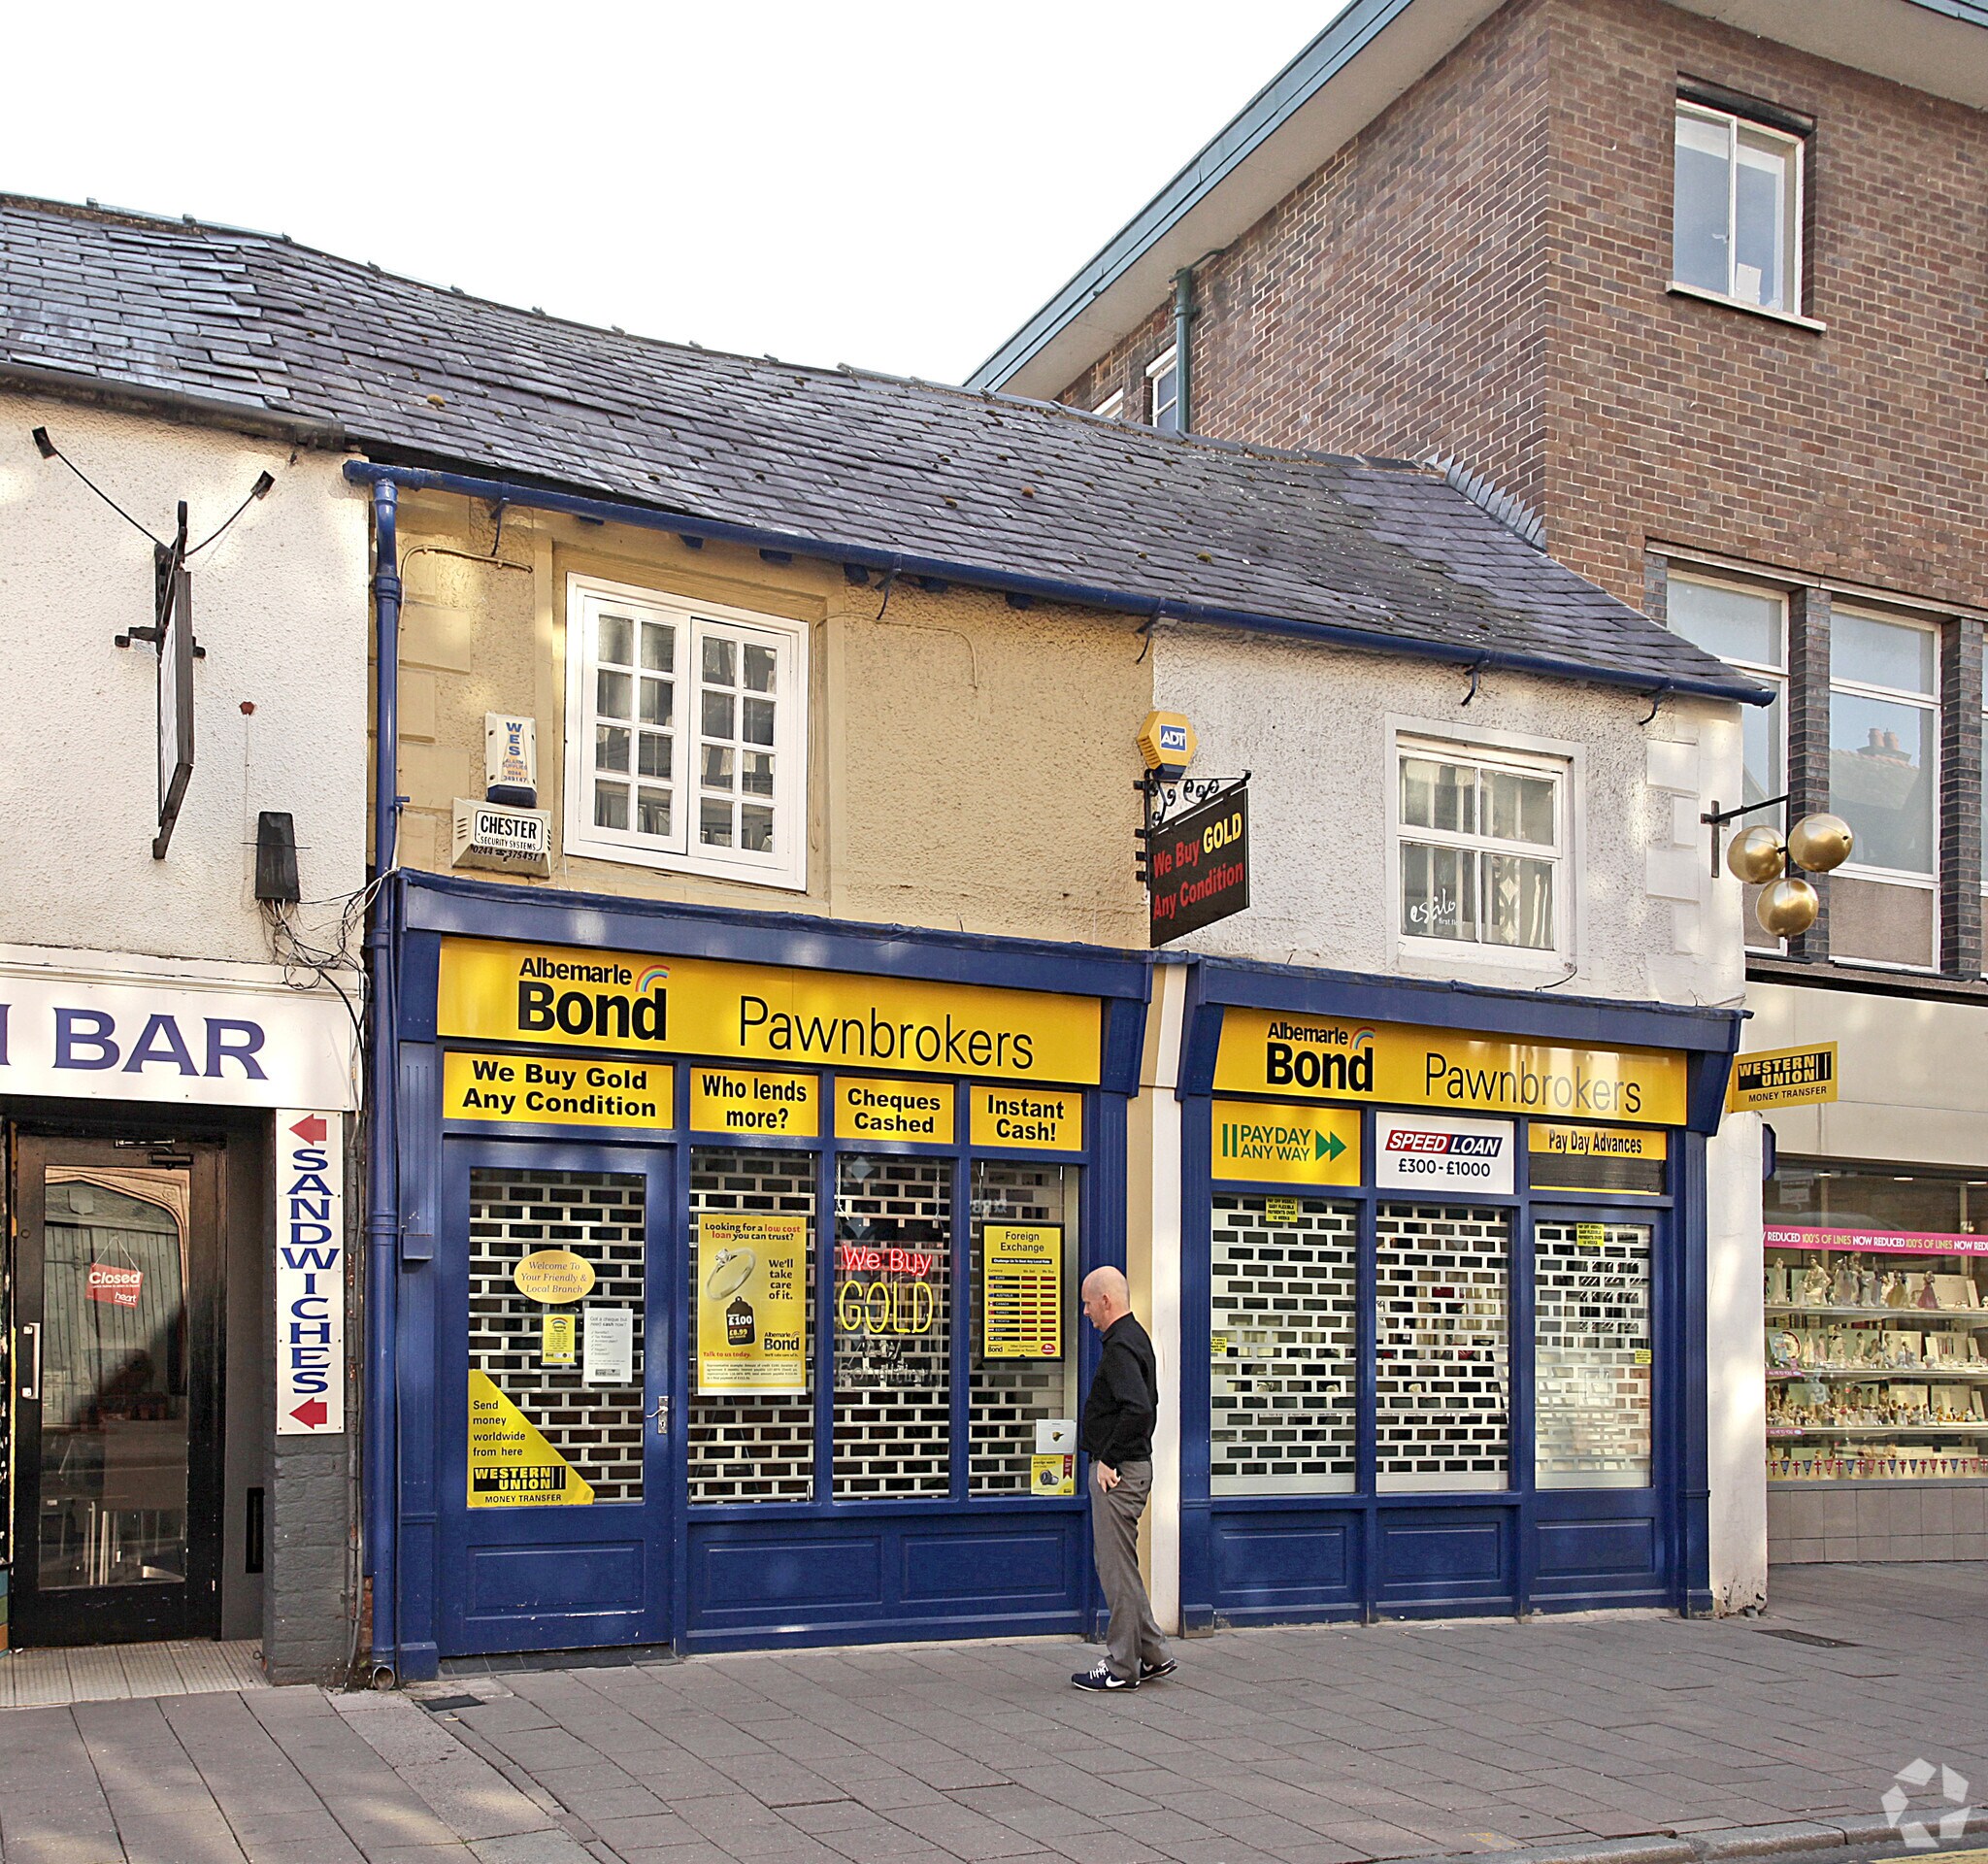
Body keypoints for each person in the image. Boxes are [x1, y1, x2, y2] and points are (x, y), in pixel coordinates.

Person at [1072, 1265, 1176, 1692]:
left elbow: (1138, 1409)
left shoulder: (1119, 1348)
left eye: (1088, 1302)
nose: (1085, 1311)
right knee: (1123, 1566)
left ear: (1106, 1301)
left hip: (1121, 1473)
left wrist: (1108, 1459)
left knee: (1115, 1569)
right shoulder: (1134, 1338)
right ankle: (1153, 1653)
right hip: (1130, 1467)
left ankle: (1121, 1666)